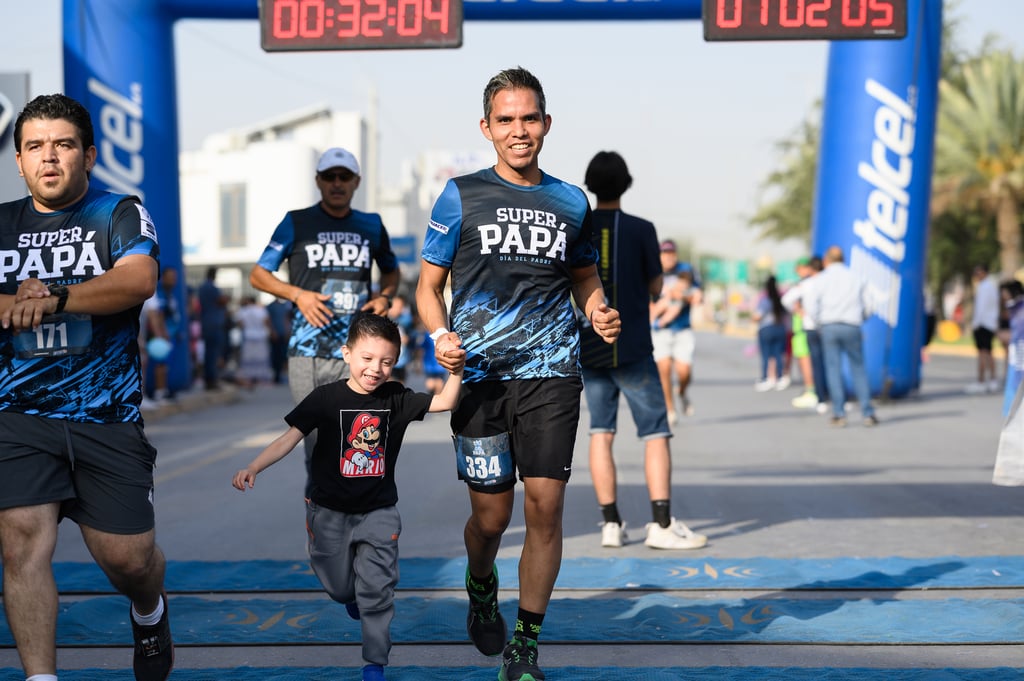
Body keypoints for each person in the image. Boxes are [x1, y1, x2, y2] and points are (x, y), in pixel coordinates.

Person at [415, 67, 621, 681]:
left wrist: (598, 308)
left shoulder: (571, 200)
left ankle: (524, 646)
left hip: (551, 370)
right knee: (491, 519)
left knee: (546, 504)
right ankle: (482, 581)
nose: (519, 130)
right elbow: (428, 286)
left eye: (529, 118)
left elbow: (583, 273)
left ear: (547, 123)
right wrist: (440, 335)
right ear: (487, 127)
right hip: (478, 378)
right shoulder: (460, 194)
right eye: (506, 119)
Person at [0, 94, 173, 681]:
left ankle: (149, 611)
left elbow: (137, 280)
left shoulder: (118, 212)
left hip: (106, 417)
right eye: (35, 147)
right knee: (22, 545)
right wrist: (13, 304)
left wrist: (52, 298)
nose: (49, 157)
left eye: (64, 144)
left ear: (89, 155)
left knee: (129, 560)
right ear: (20, 161)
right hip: (17, 414)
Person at [232, 313, 462, 681]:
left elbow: (447, 401)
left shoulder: (396, 398)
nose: (376, 369)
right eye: (368, 358)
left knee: (378, 590)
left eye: (387, 361)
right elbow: (289, 439)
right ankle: (350, 598)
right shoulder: (325, 398)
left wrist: (457, 368)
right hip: (328, 511)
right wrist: (254, 466)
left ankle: (375, 663)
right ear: (347, 354)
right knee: (340, 587)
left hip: (379, 511)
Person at [251, 146, 400, 495]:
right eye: (330, 177)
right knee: (315, 442)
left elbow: (391, 272)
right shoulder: (296, 222)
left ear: (356, 182)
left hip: (357, 352)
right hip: (308, 351)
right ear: (318, 181)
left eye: (344, 177)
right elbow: (259, 275)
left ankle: (358, 516)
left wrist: (384, 296)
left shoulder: (371, 225)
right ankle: (322, 526)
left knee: (360, 440)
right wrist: (297, 294)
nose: (337, 183)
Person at [578, 150, 707, 552]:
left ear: (589, 185)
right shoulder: (642, 229)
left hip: (591, 348)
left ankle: (611, 524)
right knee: (655, 434)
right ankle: (661, 523)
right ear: (627, 184)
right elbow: (656, 287)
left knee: (601, 433)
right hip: (633, 347)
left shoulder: (577, 228)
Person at [804, 245, 878, 427]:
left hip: (829, 326)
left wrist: (820, 322)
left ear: (826, 260)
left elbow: (811, 306)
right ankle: (867, 412)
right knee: (858, 369)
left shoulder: (820, 280)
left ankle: (839, 413)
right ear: (843, 259)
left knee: (833, 369)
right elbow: (870, 305)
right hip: (852, 325)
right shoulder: (857, 278)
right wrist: (859, 318)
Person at [649, 240, 702, 422]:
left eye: (671, 253)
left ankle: (682, 391)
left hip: (682, 329)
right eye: (665, 253)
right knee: (663, 370)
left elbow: (697, 295)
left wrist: (683, 296)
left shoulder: (686, 269)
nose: (668, 256)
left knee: (684, 371)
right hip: (659, 331)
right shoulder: (652, 270)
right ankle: (670, 409)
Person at [783, 256, 828, 411]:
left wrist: (800, 311)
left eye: (801, 268)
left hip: (808, 328)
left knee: (809, 361)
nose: (798, 271)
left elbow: (786, 300)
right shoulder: (824, 281)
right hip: (822, 326)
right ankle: (820, 393)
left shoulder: (806, 284)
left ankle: (813, 392)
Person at [752, 275, 790, 392]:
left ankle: (767, 378)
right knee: (778, 355)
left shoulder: (765, 300)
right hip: (780, 329)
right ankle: (779, 377)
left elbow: (758, 316)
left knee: (766, 356)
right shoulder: (781, 299)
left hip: (766, 330)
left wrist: (753, 319)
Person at [966, 264, 1001, 394]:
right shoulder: (991, 286)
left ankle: (981, 381)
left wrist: (975, 324)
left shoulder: (984, 287)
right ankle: (992, 380)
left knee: (983, 354)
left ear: (985, 273)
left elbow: (981, 308)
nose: (977, 275)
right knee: (988, 353)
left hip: (983, 324)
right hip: (990, 323)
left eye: (979, 273)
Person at [198, 266, 228, 391]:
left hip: (206, 322)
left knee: (208, 353)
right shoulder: (212, 288)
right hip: (214, 324)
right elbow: (220, 301)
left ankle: (209, 379)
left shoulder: (202, 287)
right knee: (213, 353)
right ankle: (211, 379)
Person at [234, 293, 273, 388]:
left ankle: (249, 378)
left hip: (249, 336)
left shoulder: (244, 310)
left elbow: (240, 323)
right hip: (261, 336)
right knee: (261, 358)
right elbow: (266, 322)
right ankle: (261, 379)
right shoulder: (261, 310)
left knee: (249, 358)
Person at [266, 296, 292, 384]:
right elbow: (268, 320)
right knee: (275, 356)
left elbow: (287, 319)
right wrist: (272, 331)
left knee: (283, 355)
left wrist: (287, 331)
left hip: (283, 334)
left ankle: (281, 375)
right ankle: (276, 376)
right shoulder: (270, 306)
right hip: (275, 335)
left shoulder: (285, 306)